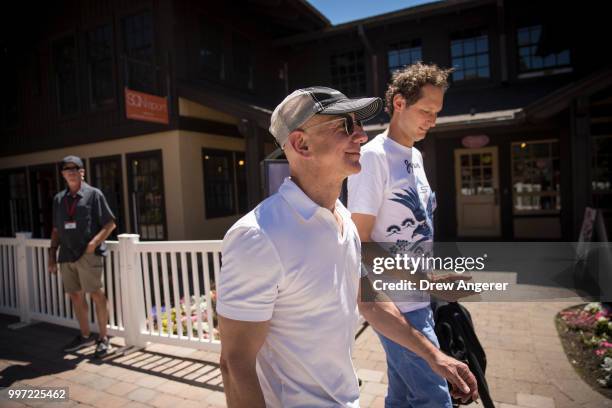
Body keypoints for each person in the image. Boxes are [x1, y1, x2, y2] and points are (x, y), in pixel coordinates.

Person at [217, 86, 478, 408]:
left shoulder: (342, 218)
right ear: (301, 143)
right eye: (344, 126)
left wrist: (433, 355)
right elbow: (235, 363)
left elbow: (368, 301)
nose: (361, 136)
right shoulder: (258, 237)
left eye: (358, 125)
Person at [348, 62, 472, 407]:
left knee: (402, 397)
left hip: (419, 300)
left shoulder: (414, 156)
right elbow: (360, 242)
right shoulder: (373, 158)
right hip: (396, 307)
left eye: (437, 112)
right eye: (426, 110)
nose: (433, 120)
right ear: (399, 103)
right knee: (436, 399)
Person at [48, 155, 117, 358]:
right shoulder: (59, 199)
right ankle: (85, 334)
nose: (70, 172)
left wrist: (93, 243)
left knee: (97, 294)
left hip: (88, 255)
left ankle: (104, 338)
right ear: (62, 174)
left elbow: (110, 223)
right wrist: (52, 255)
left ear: (82, 172)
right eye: (66, 169)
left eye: (74, 168)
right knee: (75, 296)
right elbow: (56, 230)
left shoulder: (94, 195)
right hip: (66, 255)